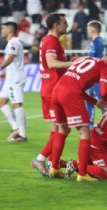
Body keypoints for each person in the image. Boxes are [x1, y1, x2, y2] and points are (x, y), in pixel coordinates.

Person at [49, 52, 107, 182]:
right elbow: (104, 92)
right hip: (71, 95)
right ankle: (82, 174)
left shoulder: (86, 59)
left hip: (56, 91)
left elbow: (78, 85)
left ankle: (54, 168)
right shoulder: (105, 67)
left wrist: (94, 102)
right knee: (85, 134)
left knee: (63, 130)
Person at [30, 13, 73, 176]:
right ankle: (41, 159)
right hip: (54, 90)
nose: (67, 25)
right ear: (56, 25)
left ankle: (51, 162)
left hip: (50, 88)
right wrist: (73, 63)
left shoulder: (48, 40)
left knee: (57, 128)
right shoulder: (52, 41)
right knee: (64, 129)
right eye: (64, 23)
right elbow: (51, 63)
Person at [0, 22, 27, 142]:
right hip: (10, 78)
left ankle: (22, 134)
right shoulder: (11, 43)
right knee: (1, 102)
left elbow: (10, 58)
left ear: (9, 31)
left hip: (15, 79)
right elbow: (12, 60)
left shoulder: (13, 42)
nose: (1, 30)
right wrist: (6, 71)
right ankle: (15, 127)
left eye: (3, 28)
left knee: (16, 104)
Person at [86, 20, 105, 128]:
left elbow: (90, 60)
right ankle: (91, 126)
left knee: (99, 101)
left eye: (88, 29)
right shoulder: (105, 42)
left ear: (93, 30)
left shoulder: (94, 43)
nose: (88, 31)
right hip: (103, 76)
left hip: (95, 77)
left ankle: (93, 125)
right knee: (91, 99)